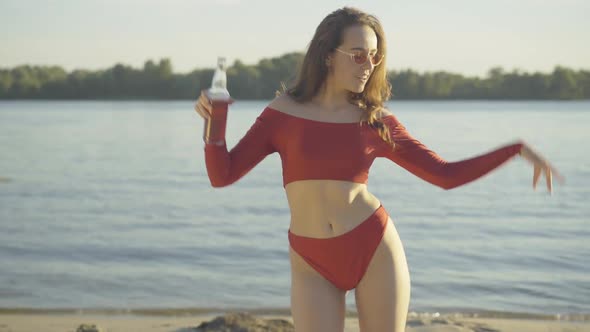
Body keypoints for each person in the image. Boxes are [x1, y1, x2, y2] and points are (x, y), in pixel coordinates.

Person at [194, 6, 564, 332]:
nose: (369, 65)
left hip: (372, 248)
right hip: (310, 258)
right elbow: (222, 175)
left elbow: (445, 176)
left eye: (374, 56)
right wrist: (215, 123)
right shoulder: (283, 113)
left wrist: (515, 150)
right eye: (358, 55)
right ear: (327, 55)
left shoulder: (376, 121)